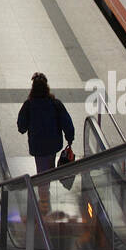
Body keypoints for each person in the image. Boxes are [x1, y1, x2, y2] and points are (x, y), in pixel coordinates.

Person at [16, 72, 75, 211]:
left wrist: (24, 127)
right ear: (47, 88)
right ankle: (45, 193)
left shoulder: (29, 105)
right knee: (49, 166)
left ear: (33, 89)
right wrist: (70, 137)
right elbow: (67, 122)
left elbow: (21, 126)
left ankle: (44, 200)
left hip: (38, 145)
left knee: (41, 170)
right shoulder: (55, 104)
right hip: (53, 144)